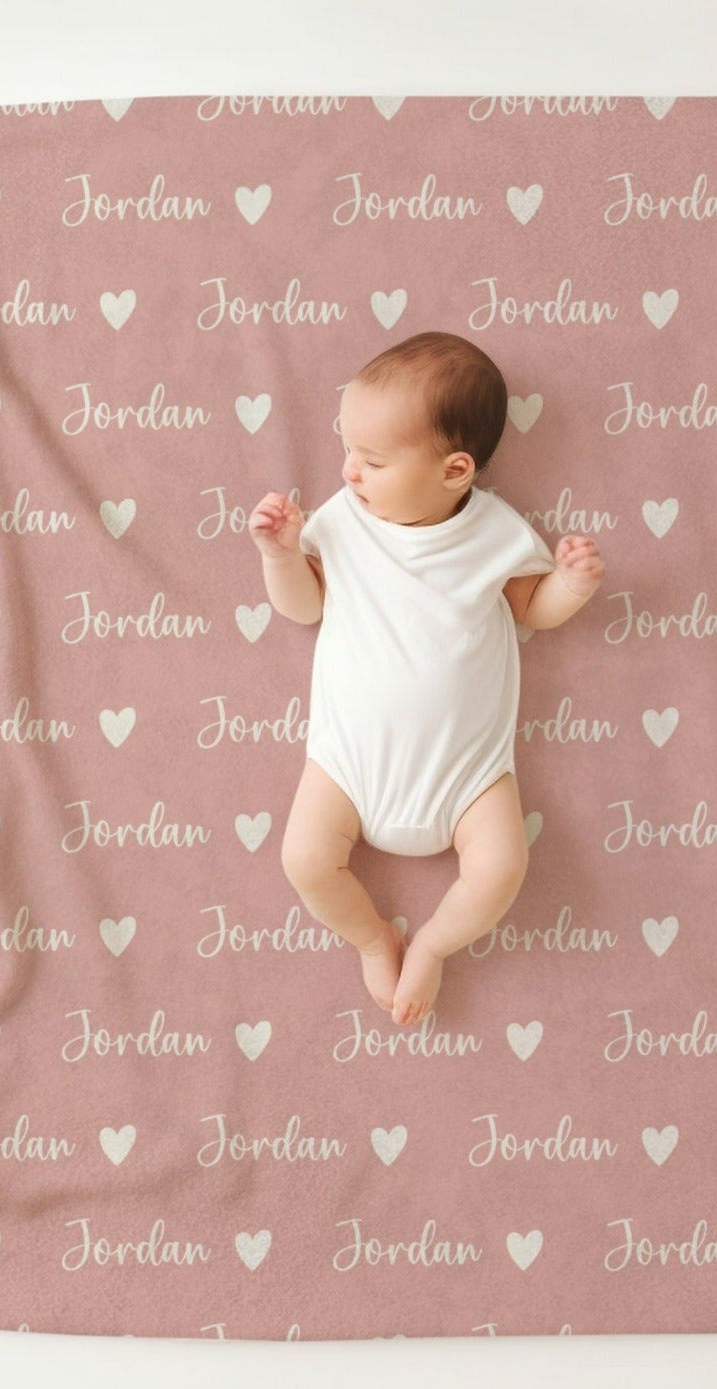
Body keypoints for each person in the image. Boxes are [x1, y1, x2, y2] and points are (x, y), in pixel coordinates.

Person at [250, 331, 604, 1024]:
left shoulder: (496, 533)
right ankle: (371, 935)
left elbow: (533, 609)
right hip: (348, 761)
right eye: (347, 449)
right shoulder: (344, 523)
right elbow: (304, 606)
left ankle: (435, 944)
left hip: (467, 772)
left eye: (373, 459)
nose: (350, 471)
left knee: (501, 868)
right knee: (304, 860)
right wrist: (281, 554)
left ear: (454, 470)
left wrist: (571, 585)